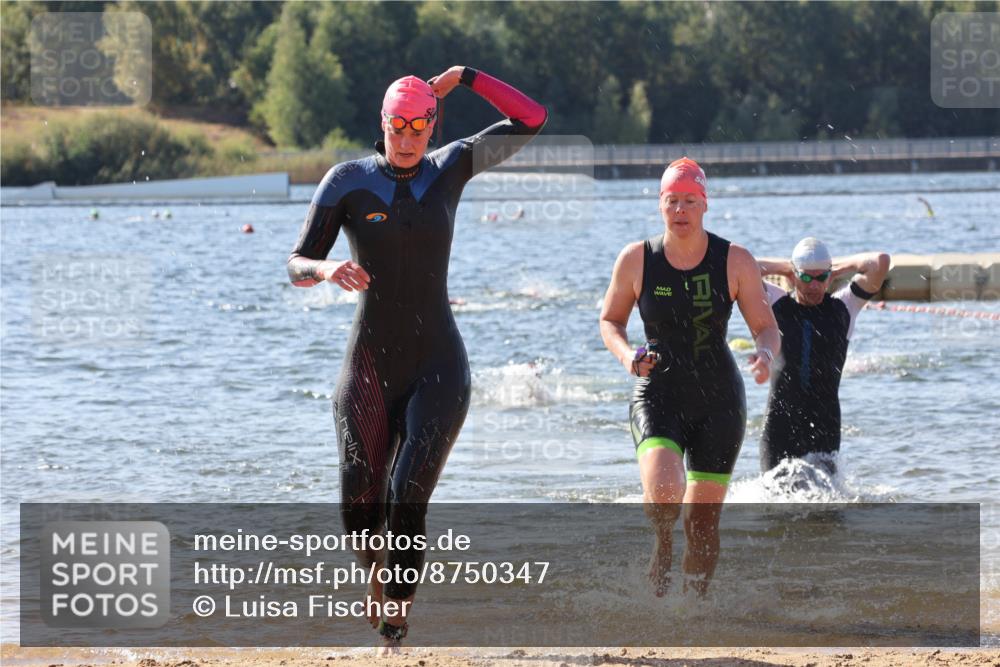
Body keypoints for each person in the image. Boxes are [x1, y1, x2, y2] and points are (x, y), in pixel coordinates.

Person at [287, 66, 546, 648]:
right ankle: (376, 578)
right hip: (369, 368)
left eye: (417, 127)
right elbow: (296, 263)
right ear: (382, 123)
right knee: (359, 504)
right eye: (397, 127)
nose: (406, 139)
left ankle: (396, 623)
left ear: (432, 126)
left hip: (438, 366)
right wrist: (326, 269)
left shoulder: (450, 166)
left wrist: (468, 77)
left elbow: (532, 119)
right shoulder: (347, 181)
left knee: (408, 494)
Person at [599, 158, 780, 596]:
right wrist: (627, 356)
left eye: (690, 201)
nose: (680, 210)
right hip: (658, 392)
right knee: (664, 492)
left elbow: (766, 327)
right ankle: (662, 543)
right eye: (672, 201)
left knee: (702, 523)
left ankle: (694, 610)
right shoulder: (637, 259)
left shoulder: (734, 259)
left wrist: (764, 355)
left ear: (705, 205)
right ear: (660, 205)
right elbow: (610, 321)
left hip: (719, 401)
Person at [758, 239, 890, 474]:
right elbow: (740, 268)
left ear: (829, 276)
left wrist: (839, 268)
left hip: (824, 427)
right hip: (779, 427)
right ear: (794, 276)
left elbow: (880, 262)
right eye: (806, 277)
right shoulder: (776, 303)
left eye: (821, 277)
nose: (814, 285)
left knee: (826, 497)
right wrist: (785, 268)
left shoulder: (844, 307)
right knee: (773, 495)